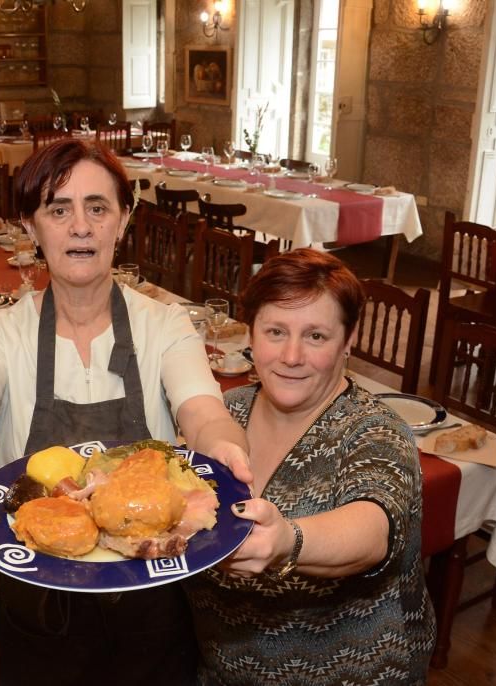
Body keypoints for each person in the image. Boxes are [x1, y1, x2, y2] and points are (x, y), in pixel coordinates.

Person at [0, 138, 251, 685]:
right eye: (59, 209)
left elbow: (202, 411)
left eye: (97, 208)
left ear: (122, 221)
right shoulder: (0, 331)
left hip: (153, 596)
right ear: (30, 227)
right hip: (38, 603)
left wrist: (223, 446)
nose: (81, 226)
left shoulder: (165, 325)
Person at [184, 249, 435, 685]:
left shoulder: (375, 431)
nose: (292, 355)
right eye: (275, 331)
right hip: (221, 669)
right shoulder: (227, 414)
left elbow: (373, 529)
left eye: (316, 336)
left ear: (348, 340)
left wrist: (288, 540)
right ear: (251, 333)